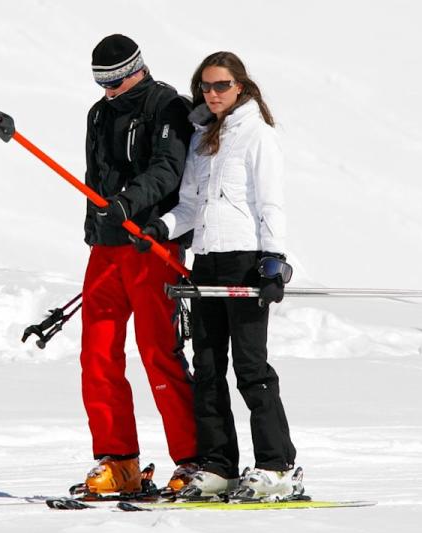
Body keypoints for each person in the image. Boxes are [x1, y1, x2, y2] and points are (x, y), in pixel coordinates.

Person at [139, 51, 302, 501]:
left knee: (250, 368)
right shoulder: (201, 137)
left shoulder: (257, 136)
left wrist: (274, 260)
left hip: (244, 261)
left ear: (241, 87)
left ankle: (277, 465)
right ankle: (219, 467)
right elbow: (190, 206)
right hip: (206, 263)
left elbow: (271, 203)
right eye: (205, 88)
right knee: (208, 369)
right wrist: (160, 229)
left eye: (221, 86)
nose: (212, 95)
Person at [77, 34, 199, 496]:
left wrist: (129, 205)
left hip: (151, 246)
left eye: (114, 80)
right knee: (97, 355)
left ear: (137, 69)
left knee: (157, 351)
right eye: (99, 82)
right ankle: (119, 461)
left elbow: (169, 169)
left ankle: (192, 461)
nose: (107, 90)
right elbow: (97, 174)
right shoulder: (98, 112)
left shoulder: (168, 107)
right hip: (106, 248)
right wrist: (98, 226)